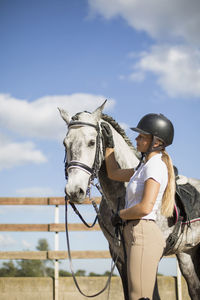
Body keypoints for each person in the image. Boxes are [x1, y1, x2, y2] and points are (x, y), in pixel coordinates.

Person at [101, 113, 175, 300]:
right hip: (135, 232)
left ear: (156, 142)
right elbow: (114, 173)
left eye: (142, 136)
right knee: (136, 295)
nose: (137, 138)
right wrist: (109, 146)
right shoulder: (143, 167)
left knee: (138, 296)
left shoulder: (154, 166)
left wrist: (120, 214)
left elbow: (145, 207)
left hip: (143, 232)